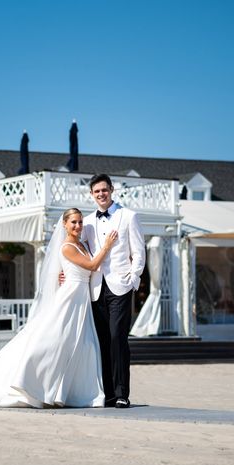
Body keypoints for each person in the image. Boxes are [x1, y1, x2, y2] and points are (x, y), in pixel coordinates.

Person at [0, 208, 117, 411]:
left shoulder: (83, 244)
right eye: (73, 223)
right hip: (70, 298)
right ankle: (29, 381)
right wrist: (107, 246)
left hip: (82, 298)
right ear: (64, 224)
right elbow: (93, 265)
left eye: (79, 222)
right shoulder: (67, 247)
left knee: (82, 345)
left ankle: (69, 391)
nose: (77, 226)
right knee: (52, 339)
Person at [84, 173, 146, 408]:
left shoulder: (129, 216)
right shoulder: (88, 222)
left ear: (112, 190)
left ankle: (121, 393)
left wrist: (133, 277)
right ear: (92, 194)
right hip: (96, 288)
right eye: (96, 191)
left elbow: (139, 251)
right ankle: (108, 394)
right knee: (102, 341)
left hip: (121, 286)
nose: (101, 194)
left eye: (104, 190)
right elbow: (83, 252)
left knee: (117, 338)